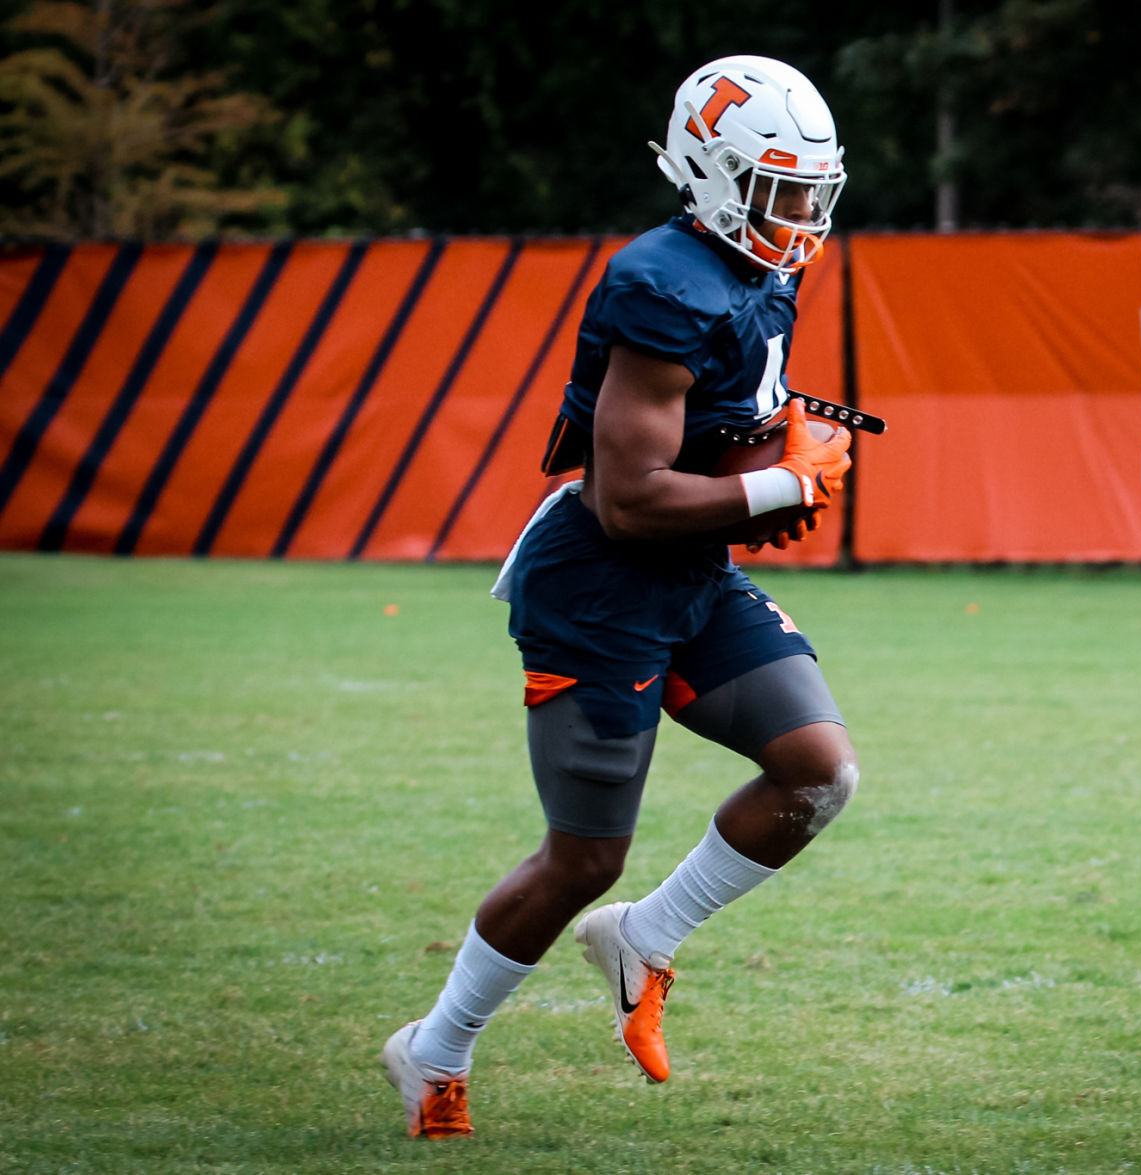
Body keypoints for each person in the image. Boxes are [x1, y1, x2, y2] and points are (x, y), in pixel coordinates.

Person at [379, 55, 860, 1138]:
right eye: (776, 191)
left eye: (808, 194)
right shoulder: (661, 283)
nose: (797, 219)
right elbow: (630, 497)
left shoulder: (759, 271)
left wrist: (770, 440)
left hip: (692, 573)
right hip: (600, 586)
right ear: (711, 175)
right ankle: (435, 1047)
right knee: (584, 856)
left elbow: (713, 427)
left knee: (817, 770)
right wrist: (780, 483)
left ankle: (644, 934)